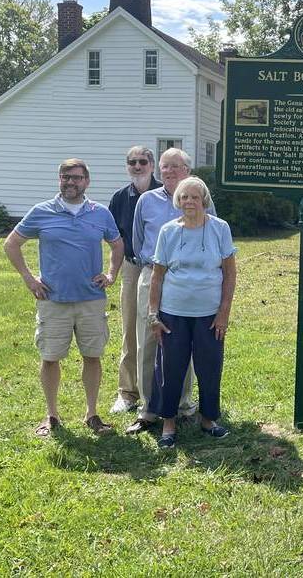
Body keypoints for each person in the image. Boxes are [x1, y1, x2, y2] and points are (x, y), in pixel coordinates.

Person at [2, 158, 124, 436]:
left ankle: (92, 414)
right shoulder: (41, 211)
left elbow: (117, 245)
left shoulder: (100, 213)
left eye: (77, 178)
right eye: (65, 177)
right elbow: (11, 244)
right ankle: (52, 415)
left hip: (91, 299)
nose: (71, 182)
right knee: (50, 358)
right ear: (59, 180)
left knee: (92, 356)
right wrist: (29, 278)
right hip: (53, 300)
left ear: (87, 181)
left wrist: (110, 274)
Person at [145, 176, 237, 448]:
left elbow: (230, 273)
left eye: (195, 197)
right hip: (173, 313)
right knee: (170, 368)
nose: (189, 201)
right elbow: (157, 276)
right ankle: (168, 423)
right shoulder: (168, 231)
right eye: (184, 197)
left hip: (209, 314)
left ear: (204, 200)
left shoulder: (220, 228)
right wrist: (153, 315)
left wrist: (223, 312)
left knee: (210, 367)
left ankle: (209, 419)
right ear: (178, 201)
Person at [123, 149, 210, 435]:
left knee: (182, 341)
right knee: (147, 340)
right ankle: (148, 409)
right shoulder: (147, 201)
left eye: (175, 166)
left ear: (188, 169)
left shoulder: (200, 199)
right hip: (152, 275)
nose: (169, 171)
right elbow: (137, 242)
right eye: (164, 166)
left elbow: (211, 234)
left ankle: (182, 404)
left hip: (187, 280)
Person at [107, 146, 162, 414]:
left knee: (160, 329)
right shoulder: (120, 198)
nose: (137, 166)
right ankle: (127, 393)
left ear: (152, 165)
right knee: (130, 330)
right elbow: (114, 240)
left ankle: (160, 389)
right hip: (132, 268)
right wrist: (112, 271)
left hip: (161, 270)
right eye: (132, 162)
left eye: (142, 162)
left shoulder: (165, 193)